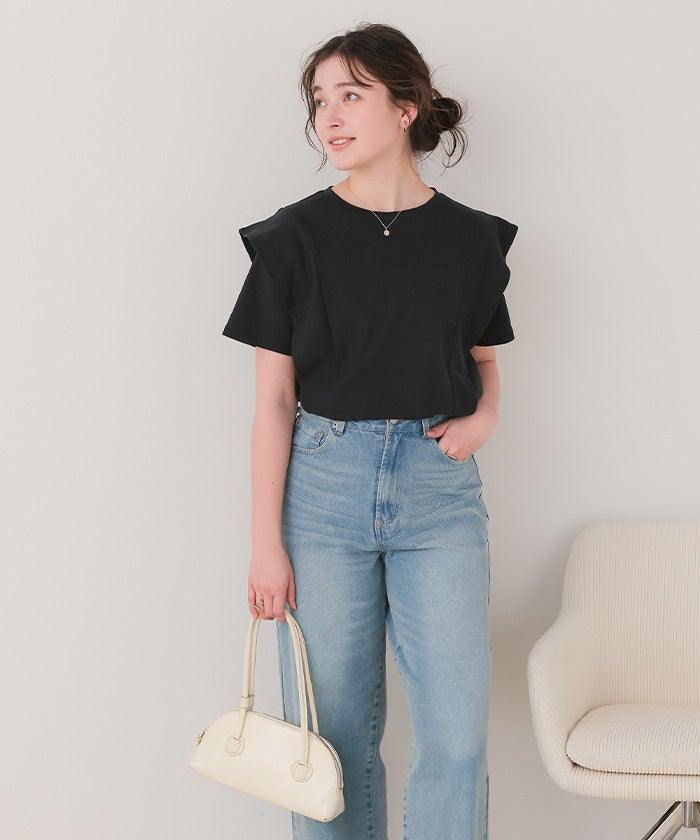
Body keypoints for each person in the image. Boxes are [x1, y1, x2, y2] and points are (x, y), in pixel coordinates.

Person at [221, 22, 518, 840]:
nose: (330, 116)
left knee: (456, 739)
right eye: (320, 100)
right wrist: (265, 544)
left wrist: (486, 416)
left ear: (406, 107)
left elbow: (485, 361)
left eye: (351, 95)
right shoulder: (291, 239)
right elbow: (273, 402)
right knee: (330, 740)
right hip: (322, 492)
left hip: (440, 494)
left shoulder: (472, 240)